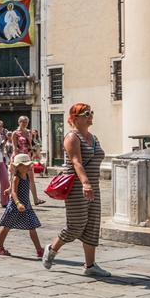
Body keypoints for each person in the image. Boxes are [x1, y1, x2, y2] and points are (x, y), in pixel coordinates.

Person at [43, 103, 110, 278]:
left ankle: (90, 265)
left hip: (93, 186)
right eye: (86, 113)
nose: (90, 116)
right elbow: (76, 162)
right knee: (76, 225)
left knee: (92, 225)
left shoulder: (93, 138)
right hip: (77, 187)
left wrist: (91, 184)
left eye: (91, 112)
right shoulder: (72, 137)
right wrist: (85, 183)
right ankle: (52, 249)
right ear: (75, 118)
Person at [0, 153, 44, 257]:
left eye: (28, 165)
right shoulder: (16, 177)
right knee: (6, 226)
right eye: (25, 166)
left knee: (32, 227)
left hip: (26, 206)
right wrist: (17, 203)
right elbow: (14, 192)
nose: (28, 167)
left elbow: (11, 188)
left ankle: (39, 249)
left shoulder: (26, 176)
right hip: (15, 207)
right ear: (18, 167)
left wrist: (8, 190)